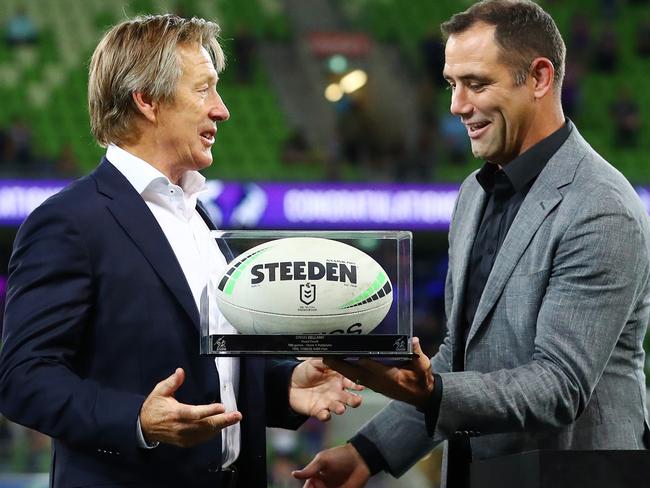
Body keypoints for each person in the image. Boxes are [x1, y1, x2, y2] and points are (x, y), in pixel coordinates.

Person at [293, 1, 650, 487]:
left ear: (540, 78)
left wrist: (431, 390)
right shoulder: (473, 194)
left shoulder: (600, 207)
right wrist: (366, 453)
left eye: (477, 84)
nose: (457, 106)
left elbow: (558, 386)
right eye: (452, 84)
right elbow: (458, 363)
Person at [0, 15, 363, 488]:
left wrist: (281, 387)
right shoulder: (68, 221)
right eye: (203, 89)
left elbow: (213, 371)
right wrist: (137, 420)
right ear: (147, 100)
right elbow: (22, 378)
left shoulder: (201, 220)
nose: (222, 110)